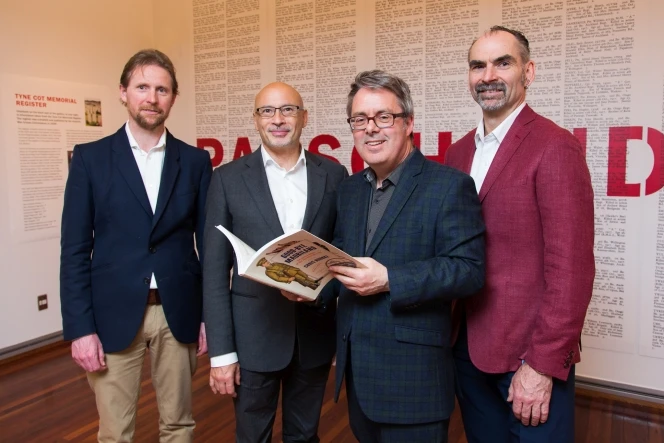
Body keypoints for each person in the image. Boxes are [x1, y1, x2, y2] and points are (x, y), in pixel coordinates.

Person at [444, 26, 595, 443]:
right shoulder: (458, 153)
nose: (488, 75)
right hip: (466, 348)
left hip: (527, 356)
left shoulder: (554, 146)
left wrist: (542, 365)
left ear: (528, 72)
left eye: (502, 63)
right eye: (478, 65)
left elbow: (573, 269)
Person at [60, 49, 212, 442]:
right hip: (111, 317)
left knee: (179, 425)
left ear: (173, 98)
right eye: (142, 87)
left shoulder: (195, 162)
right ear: (123, 93)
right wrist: (80, 329)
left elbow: (209, 246)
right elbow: (74, 250)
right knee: (115, 432)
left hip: (176, 313)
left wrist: (208, 316)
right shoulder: (90, 160)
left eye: (162, 89)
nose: (152, 97)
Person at [327, 70, 485, 442]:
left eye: (384, 117)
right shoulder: (349, 190)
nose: (371, 129)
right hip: (358, 378)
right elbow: (341, 265)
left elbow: (469, 270)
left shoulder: (449, 186)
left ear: (409, 122)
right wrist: (304, 286)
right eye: (360, 120)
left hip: (413, 384)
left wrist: (389, 280)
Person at [202, 82, 348, 443]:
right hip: (254, 336)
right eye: (267, 111)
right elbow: (214, 273)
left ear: (304, 117)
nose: (278, 119)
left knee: (304, 434)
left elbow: (343, 252)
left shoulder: (333, 174)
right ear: (256, 120)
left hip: (313, 333)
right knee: (252, 437)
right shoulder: (226, 179)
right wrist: (222, 353)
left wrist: (324, 292)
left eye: (288, 110)